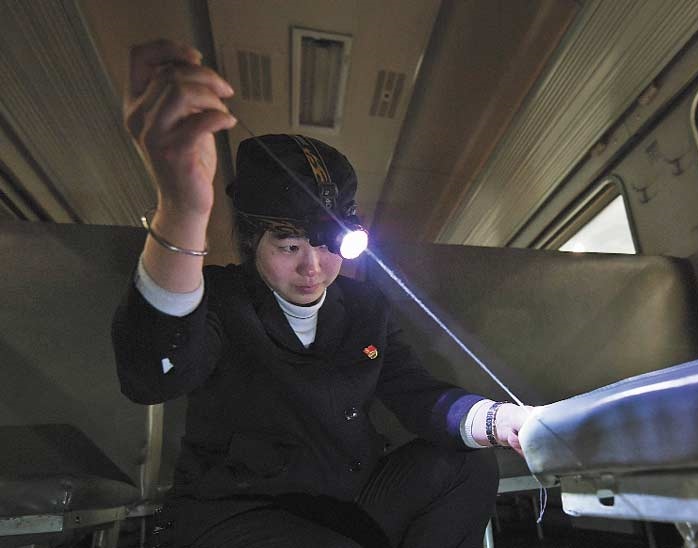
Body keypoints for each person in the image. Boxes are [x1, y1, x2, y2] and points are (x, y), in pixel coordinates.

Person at [112, 39, 537, 548]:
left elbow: (415, 392)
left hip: (346, 499)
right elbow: (152, 375)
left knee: (468, 466)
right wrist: (183, 208)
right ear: (251, 242)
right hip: (240, 510)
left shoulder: (364, 307)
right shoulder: (221, 299)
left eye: (329, 245)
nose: (312, 267)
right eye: (289, 246)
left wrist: (497, 419)